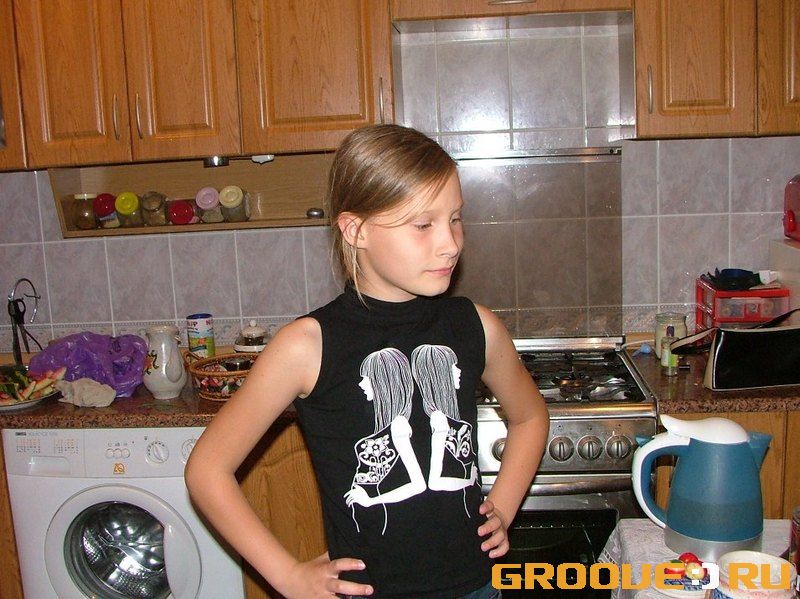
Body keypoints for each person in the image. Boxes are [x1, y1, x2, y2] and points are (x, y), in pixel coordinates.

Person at [185, 124, 549, 599]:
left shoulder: (475, 325)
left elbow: (530, 416)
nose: (450, 243)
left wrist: (503, 505)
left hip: (475, 588)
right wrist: (286, 575)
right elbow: (206, 470)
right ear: (355, 229)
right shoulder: (308, 345)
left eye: (455, 218)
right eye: (423, 225)